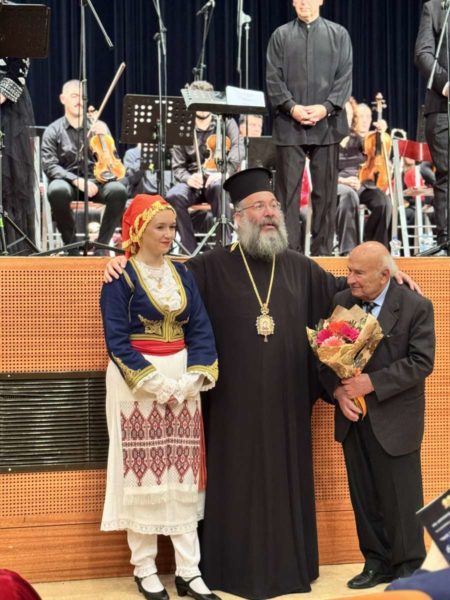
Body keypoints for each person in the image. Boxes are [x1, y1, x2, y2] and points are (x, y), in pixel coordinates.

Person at [104, 169, 420, 600]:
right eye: (259, 206)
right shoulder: (207, 267)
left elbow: (349, 289)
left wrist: (392, 274)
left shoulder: (300, 268)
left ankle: (290, 568)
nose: (270, 213)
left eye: (273, 206)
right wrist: (118, 261)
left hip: (286, 407)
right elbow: (158, 282)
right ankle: (216, 569)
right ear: (238, 217)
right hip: (230, 408)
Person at [100, 194, 220, 600]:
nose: (169, 234)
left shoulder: (182, 273)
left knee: (183, 476)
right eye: (161, 227)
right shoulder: (121, 277)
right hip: (137, 384)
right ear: (139, 230)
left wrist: (192, 378)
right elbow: (117, 340)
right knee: (143, 475)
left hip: (182, 380)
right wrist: (156, 384)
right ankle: (145, 567)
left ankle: (189, 570)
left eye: (172, 227)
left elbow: (200, 328)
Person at [319, 241, 435, 590]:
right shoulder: (343, 301)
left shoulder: (416, 305)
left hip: (396, 420)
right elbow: (326, 357)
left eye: (358, 273)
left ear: (385, 275)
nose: (350, 279)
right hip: (354, 419)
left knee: (402, 498)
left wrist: (371, 383)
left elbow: (421, 362)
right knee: (364, 497)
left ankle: (409, 567)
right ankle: (376, 563)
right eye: (349, 271)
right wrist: (338, 392)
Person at [266, 0, 352, 255]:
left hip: (327, 123)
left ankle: (322, 253)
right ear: (293, 2)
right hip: (289, 123)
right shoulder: (280, 35)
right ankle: (289, 255)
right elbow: (273, 78)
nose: (304, 2)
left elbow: (344, 78)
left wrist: (325, 107)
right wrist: (291, 107)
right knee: (287, 195)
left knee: (325, 194)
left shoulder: (339, 34)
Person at [41, 80, 127, 253]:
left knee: (118, 190)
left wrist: (104, 136)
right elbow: (49, 165)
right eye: (74, 96)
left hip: (97, 183)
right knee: (56, 190)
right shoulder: (53, 130)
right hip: (68, 183)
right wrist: (77, 180)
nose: (79, 101)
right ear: (63, 99)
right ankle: (72, 247)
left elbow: (112, 161)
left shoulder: (98, 127)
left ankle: (101, 247)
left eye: (82, 97)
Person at [166, 80, 243, 254]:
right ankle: (189, 250)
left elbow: (239, 147)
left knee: (220, 188)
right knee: (173, 196)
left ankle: (223, 249)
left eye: (205, 99)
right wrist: (188, 178)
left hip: (216, 179)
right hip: (192, 183)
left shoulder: (225, 122)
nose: (202, 105)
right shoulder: (183, 127)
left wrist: (225, 172)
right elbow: (178, 167)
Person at [415, 0, 450, 251]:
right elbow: (423, 53)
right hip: (443, 106)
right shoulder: (437, 7)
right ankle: (446, 241)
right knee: (447, 175)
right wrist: (445, 84)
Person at [336, 102, 392, 255]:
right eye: (361, 116)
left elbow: (378, 158)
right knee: (349, 195)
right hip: (340, 184)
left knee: (384, 202)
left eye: (369, 116)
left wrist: (381, 133)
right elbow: (325, 173)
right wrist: (343, 181)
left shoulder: (367, 141)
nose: (366, 120)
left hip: (362, 185)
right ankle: (349, 251)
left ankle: (375, 248)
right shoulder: (336, 140)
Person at [0, 56, 36, 254]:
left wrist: (3, 93)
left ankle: (11, 249)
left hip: (7, 108)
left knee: (9, 181)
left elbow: (20, 64)